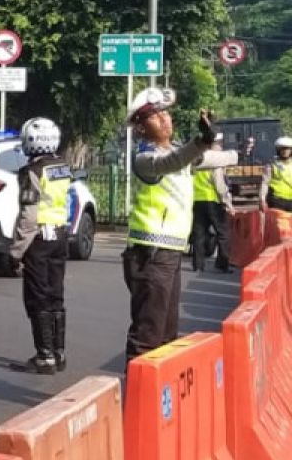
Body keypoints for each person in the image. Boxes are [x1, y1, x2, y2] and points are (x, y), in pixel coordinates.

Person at [123, 89, 237, 360]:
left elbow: (209, 159)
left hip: (169, 253)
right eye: (154, 116)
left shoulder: (180, 153)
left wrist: (236, 151)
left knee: (167, 334)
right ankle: (139, 399)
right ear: (140, 127)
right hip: (149, 251)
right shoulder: (144, 158)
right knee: (148, 335)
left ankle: (159, 398)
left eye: (165, 112)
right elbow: (171, 162)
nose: (164, 119)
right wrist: (201, 140)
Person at [8, 117, 70, 374]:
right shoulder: (61, 166)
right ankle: (58, 352)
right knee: (56, 294)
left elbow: (29, 215)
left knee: (37, 297)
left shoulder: (31, 172)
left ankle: (44, 356)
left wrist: (16, 251)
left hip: (39, 239)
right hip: (60, 235)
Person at [191, 133, 234, 273]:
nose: (220, 147)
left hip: (197, 202)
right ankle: (222, 264)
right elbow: (220, 186)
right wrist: (228, 203)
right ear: (213, 145)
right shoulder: (214, 162)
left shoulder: (196, 161)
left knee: (199, 234)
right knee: (223, 234)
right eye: (219, 144)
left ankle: (198, 265)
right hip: (212, 202)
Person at [260, 137, 292, 213]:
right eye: (282, 149)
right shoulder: (271, 165)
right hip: (277, 201)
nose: (284, 151)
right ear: (278, 150)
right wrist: (262, 199)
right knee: (279, 224)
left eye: (287, 149)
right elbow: (265, 183)